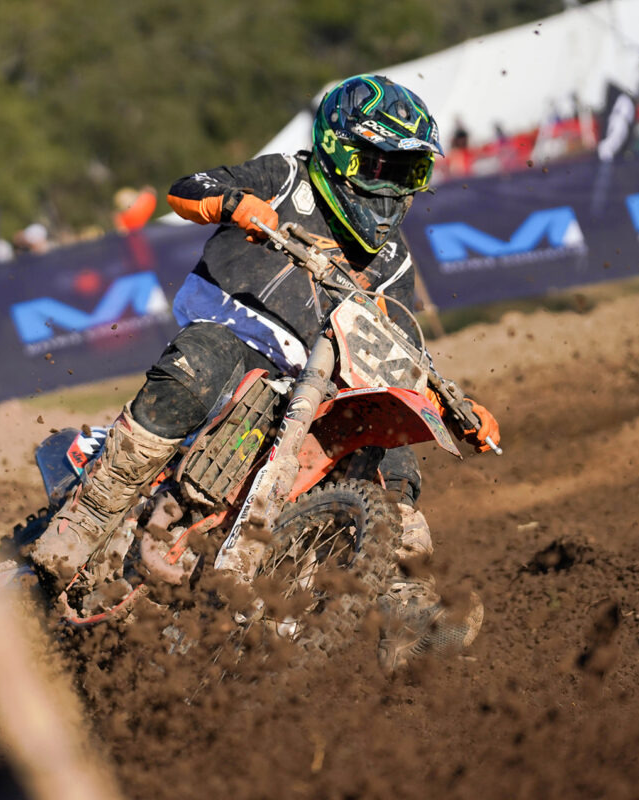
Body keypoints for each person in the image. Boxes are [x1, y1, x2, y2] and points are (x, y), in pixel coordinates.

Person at [27, 75, 501, 668]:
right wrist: (233, 203)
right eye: (383, 166)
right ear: (342, 153)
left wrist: (455, 404)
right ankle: (86, 520)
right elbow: (189, 187)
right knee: (201, 363)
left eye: (410, 172)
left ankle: (407, 603)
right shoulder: (288, 178)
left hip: (319, 375)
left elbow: (401, 346)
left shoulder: (393, 258)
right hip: (237, 333)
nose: (394, 186)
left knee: (389, 449)